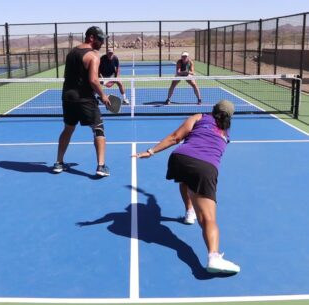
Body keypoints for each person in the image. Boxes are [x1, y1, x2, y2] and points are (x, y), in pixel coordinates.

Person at [133, 100, 240, 274]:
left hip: (179, 159)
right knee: (208, 219)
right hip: (205, 168)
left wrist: (150, 151)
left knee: (186, 178)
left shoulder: (200, 117)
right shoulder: (226, 133)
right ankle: (214, 257)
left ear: (213, 110)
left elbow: (176, 137)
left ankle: (190, 212)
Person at [53, 26, 111, 177]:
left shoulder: (72, 53)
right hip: (85, 99)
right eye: (100, 39)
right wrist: (103, 96)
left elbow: (78, 75)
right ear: (91, 37)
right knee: (98, 129)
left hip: (67, 97)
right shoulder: (93, 55)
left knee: (68, 128)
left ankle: (59, 163)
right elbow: (93, 80)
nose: (102, 43)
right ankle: (101, 166)